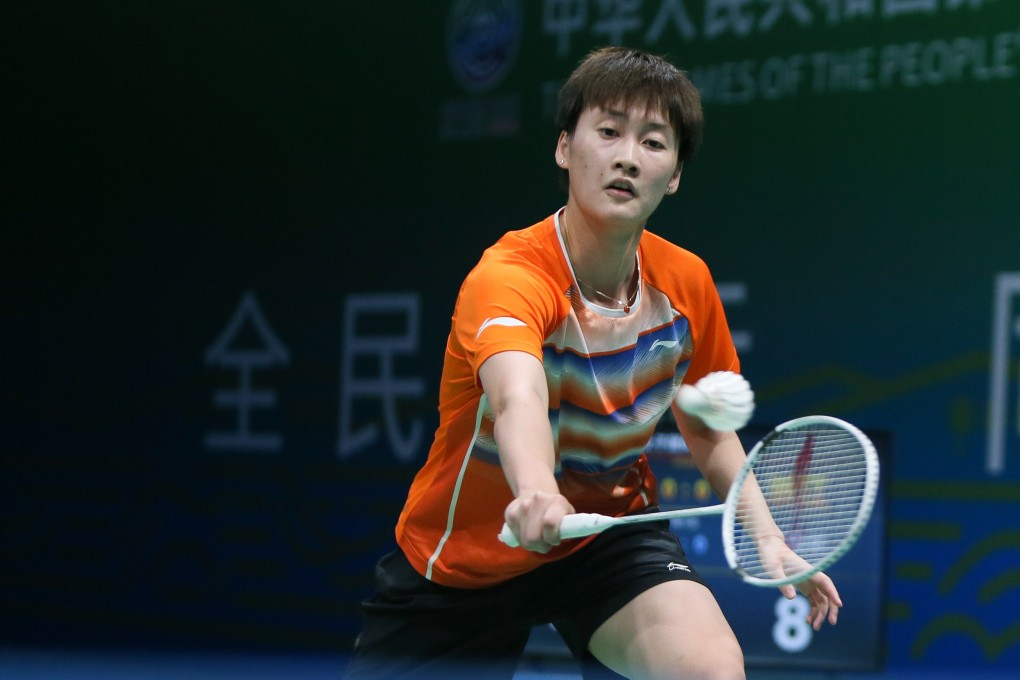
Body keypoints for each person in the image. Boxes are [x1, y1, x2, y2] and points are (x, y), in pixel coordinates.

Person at [343, 46, 841, 680]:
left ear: (677, 173)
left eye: (654, 143)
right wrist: (536, 493)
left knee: (709, 671)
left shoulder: (685, 285)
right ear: (563, 148)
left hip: (606, 536)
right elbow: (517, 394)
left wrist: (765, 536)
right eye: (608, 132)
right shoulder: (510, 276)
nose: (628, 157)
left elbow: (706, 423)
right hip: (469, 553)